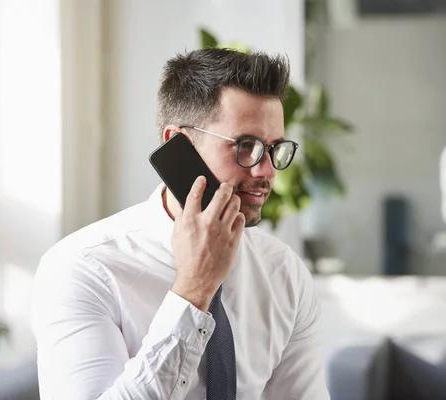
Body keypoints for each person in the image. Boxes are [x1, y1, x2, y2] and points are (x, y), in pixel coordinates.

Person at [31, 48, 330, 399]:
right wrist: (194, 289)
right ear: (179, 145)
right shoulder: (82, 269)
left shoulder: (283, 273)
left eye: (274, 148)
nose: (265, 171)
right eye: (245, 146)